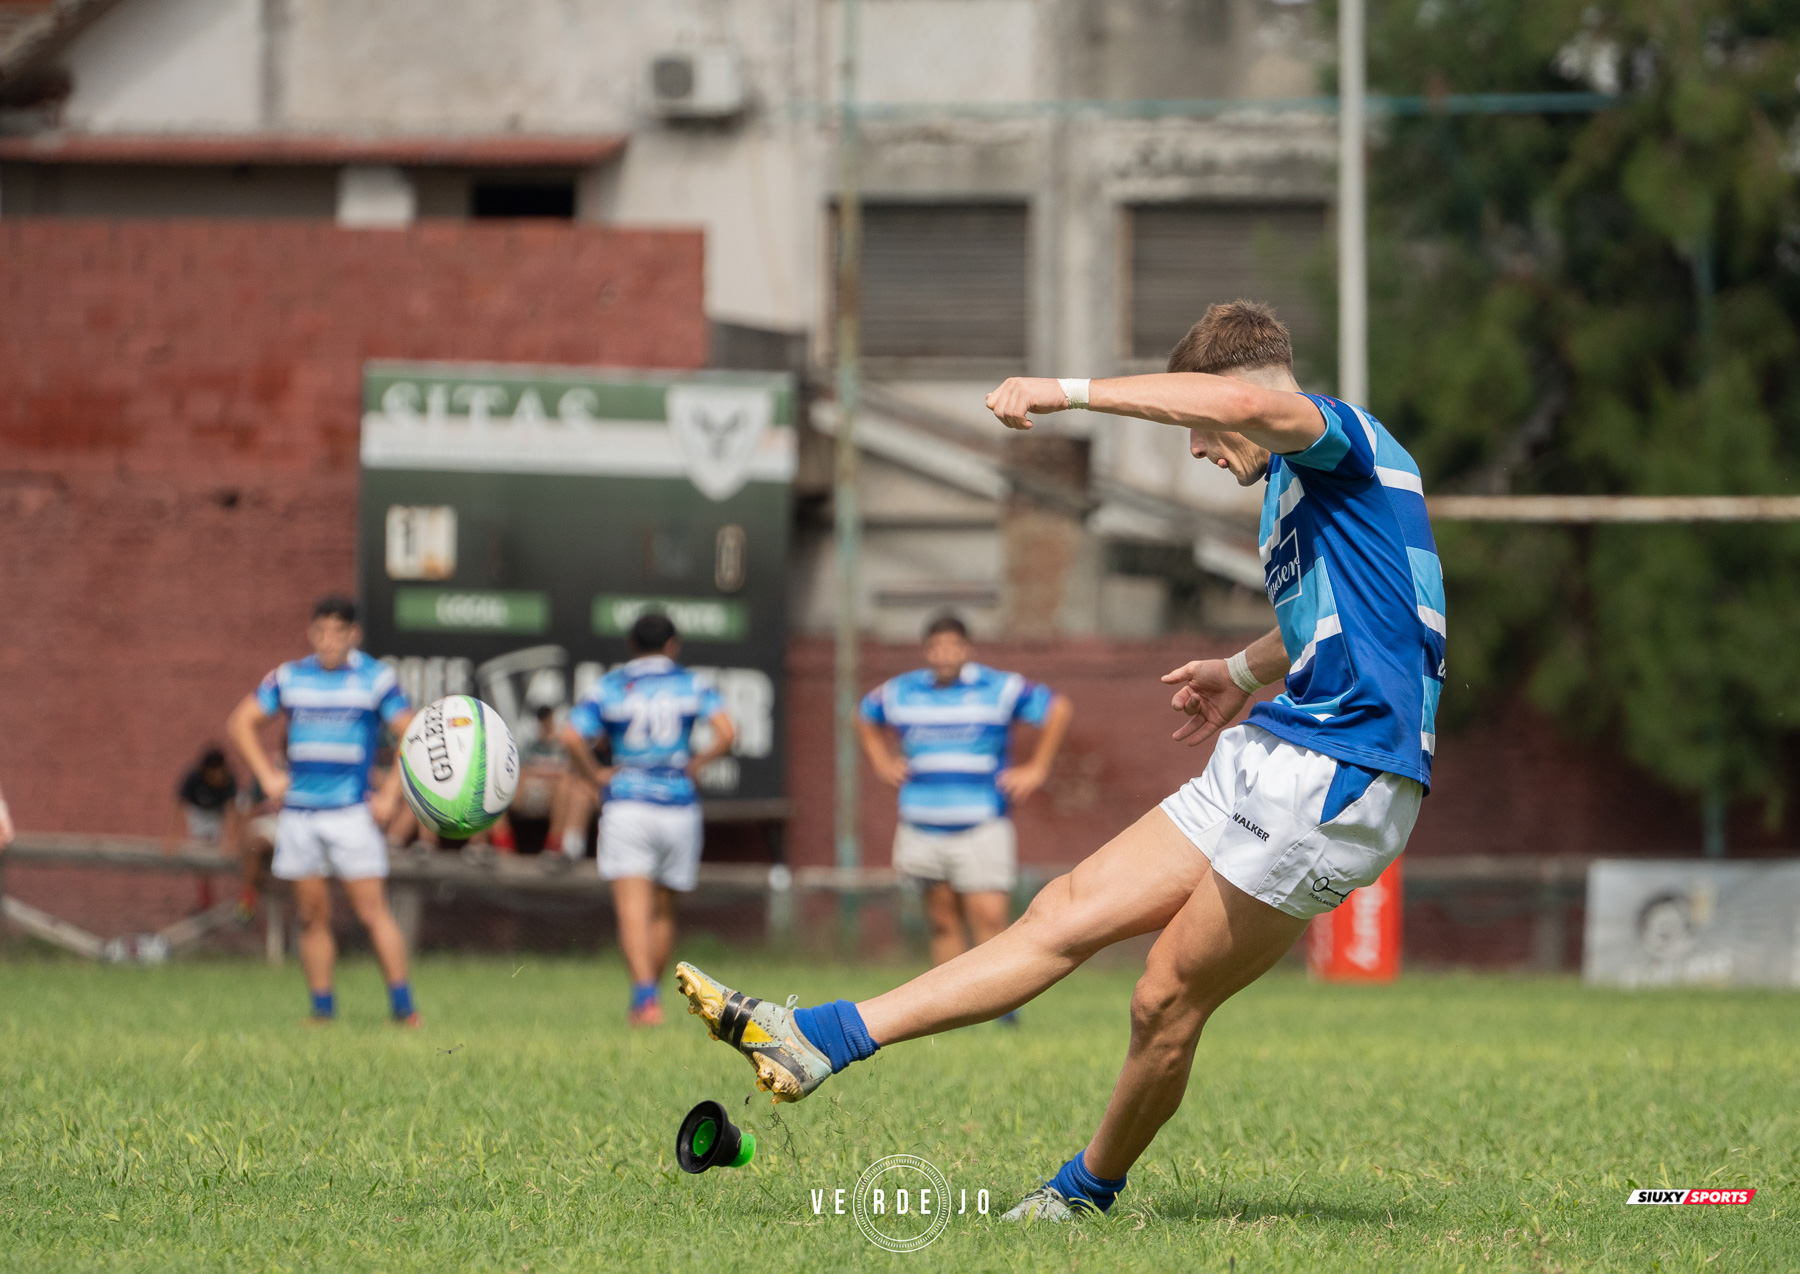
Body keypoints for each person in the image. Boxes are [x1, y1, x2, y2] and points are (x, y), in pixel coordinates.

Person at [675, 300, 1444, 1221]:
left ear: (1232, 395)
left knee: (1164, 998)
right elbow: (1329, 616)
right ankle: (819, 1038)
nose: (1199, 451)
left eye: (1202, 428)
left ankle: (1083, 1194)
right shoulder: (1294, 492)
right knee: (1064, 910)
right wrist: (1237, 670)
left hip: (1345, 774)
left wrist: (1067, 393)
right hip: (1278, 748)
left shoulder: (1338, 436)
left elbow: (1267, 414)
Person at [227, 595, 421, 1026]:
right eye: (321, 631)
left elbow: (411, 732)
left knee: (372, 911)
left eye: (338, 631)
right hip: (300, 814)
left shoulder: (375, 679)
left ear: (354, 634)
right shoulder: (291, 677)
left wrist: (390, 794)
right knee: (312, 914)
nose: (329, 640)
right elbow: (241, 722)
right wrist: (267, 775)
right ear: (311, 633)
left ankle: (405, 1008)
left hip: (351, 813)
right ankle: (322, 1011)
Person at [858, 613, 1073, 975]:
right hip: (921, 825)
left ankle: (1001, 1008)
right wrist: (881, 761)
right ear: (926, 651)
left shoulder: (999, 687)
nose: (944, 654)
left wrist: (1037, 768)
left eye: (952, 646)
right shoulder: (902, 690)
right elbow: (863, 714)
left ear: (966, 649)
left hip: (982, 823)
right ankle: (951, 1010)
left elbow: (1057, 709)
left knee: (990, 919)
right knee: (942, 921)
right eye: (936, 647)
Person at [561, 612, 735, 1026]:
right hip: (678, 807)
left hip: (629, 805)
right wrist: (696, 763)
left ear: (631, 645)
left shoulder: (611, 686)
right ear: (672, 645)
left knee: (631, 910)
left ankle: (644, 999)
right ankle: (647, 1000)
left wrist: (595, 775)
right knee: (663, 911)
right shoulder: (692, 684)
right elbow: (728, 732)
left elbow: (570, 735)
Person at [167, 747, 241, 911]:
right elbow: (178, 805)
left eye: (220, 773)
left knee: (223, 852)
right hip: (198, 813)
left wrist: (232, 839)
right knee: (201, 857)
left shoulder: (229, 779)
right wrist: (172, 837)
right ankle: (205, 900)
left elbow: (232, 810)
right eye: (213, 774)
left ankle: (239, 904)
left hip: (218, 814)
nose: (217, 778)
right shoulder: (193, 777)